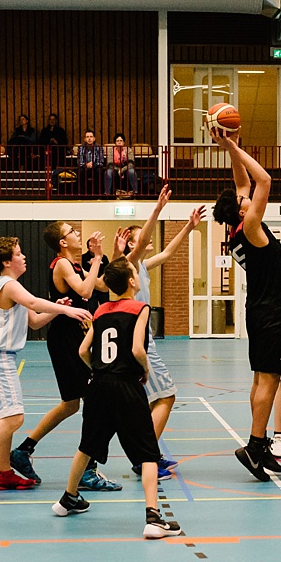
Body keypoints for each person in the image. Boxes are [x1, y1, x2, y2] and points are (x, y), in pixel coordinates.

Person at [50, 257, 183, 539]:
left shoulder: (99, 312)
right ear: (133, 282)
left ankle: (67, 499)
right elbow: (137, 348)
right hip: (126, 385)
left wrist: (100, 370)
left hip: (98, 385)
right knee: (148, 453)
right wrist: (145, 370)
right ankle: (153, 518)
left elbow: (83, 351)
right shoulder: (140, 308)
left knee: (86, 446)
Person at [0, 237, 93, 499]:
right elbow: (34, 303)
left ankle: (3, 473)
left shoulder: (13, 286)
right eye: (19, 254)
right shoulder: (8, 285)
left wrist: (57, 309)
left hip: (1, 357)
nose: (24, 257)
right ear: (7, 262)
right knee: (13, 418)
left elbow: (36, 321)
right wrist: (68, 311)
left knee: (6, 416)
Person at [10, 222, 121, 491]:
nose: (77, 234)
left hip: (78, 338)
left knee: (71, 404)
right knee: (97, 401)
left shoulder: (76, 265)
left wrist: (110, 255)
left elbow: (102, 288)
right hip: (67, 340)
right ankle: (87, 470)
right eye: (71, 231)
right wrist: (96, 259)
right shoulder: (61, 264)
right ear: (62, 241)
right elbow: (84, 291)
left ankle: (23, 450)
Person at [211, 127, 281, 481]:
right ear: (242, 209)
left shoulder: (235, 230)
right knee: (270, 380)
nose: (246, 196)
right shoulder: (252, 225)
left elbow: (243, 181)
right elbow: (265, 179)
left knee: (261, 379)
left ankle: (256, 445)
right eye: (243, 199)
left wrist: (232, 149)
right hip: (273, 312)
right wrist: (231, 144)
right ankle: (256, 445)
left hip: (257, 312)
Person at [118, 186, 206, 477]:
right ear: (132, 244)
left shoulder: (140, 264)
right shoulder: (127, 265)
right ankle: (146, 458)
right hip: (139, 340)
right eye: (140, 237)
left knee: (156, 400)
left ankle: (149, 453)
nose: (147, 239)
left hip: (143, 338)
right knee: (167, 396)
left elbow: (168, 253)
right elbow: (144, 238)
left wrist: (189, 228)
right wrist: (157, 208)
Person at [105, 132, 137, 197]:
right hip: (114, 169)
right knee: (108, 172)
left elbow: (131, 164)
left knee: (132, 172)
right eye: (117, 141)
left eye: (121, 141)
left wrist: (122, 170)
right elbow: (110, 164)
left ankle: (135, 192)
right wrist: (118, 169)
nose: (119, 142)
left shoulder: (128, 150)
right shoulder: (111, 150)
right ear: (115, 143)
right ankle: (107, 193)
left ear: (124, 142)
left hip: (126, 168)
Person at [76, 130, 105, 194]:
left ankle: (98, 194)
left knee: (99, 171)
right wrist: (86, 165)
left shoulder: (99, 147)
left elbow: (101, 161)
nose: (89, 138)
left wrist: (93, 164)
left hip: (95, 167)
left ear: (94, 138)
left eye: (91, 137)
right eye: (87, 137)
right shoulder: (81, 148)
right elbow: (79, 161)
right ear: (85, 139)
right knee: (80, 171)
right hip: (84, 167)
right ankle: (81, 194)